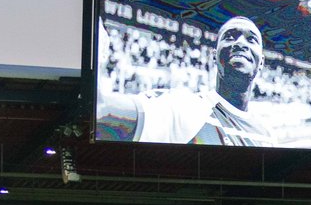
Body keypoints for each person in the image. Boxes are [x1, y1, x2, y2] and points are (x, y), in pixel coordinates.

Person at [96, 16, 277, 145]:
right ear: (214, 56)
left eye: (251, 39)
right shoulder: (189, 109)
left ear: (261, 62)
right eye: (229, 37)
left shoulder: (268, 135)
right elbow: (102, 112)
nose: (240, 43)